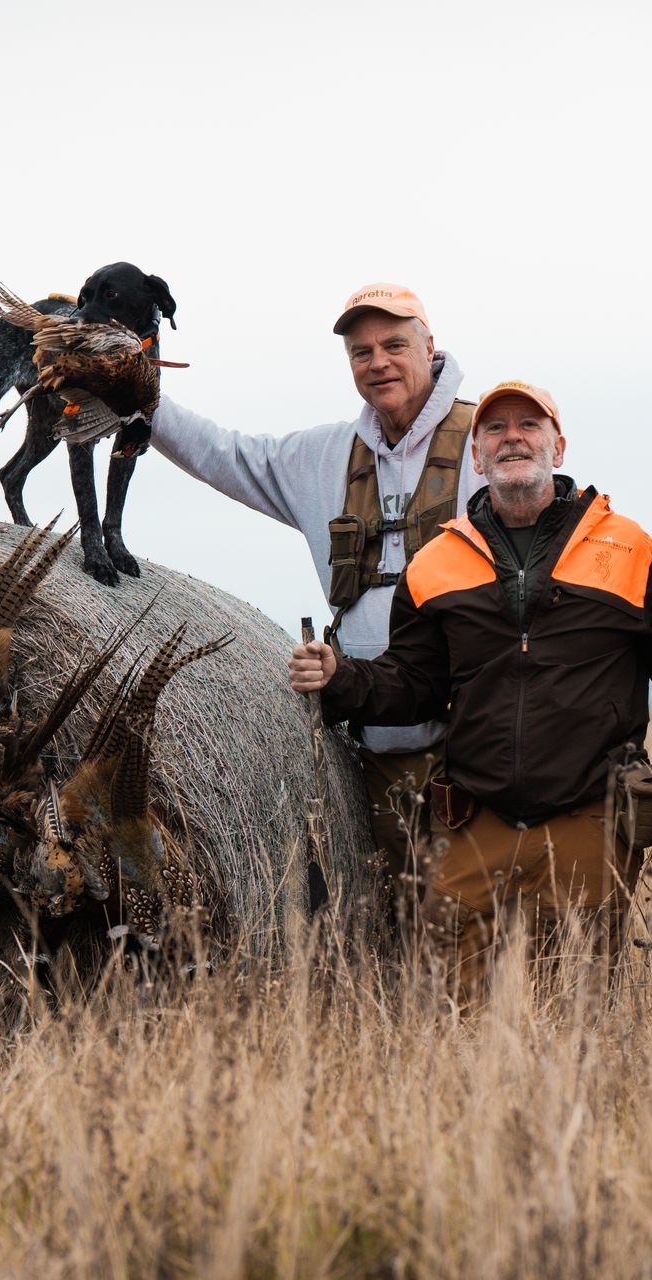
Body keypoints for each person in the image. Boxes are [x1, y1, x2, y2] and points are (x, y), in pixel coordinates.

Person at [288, 382, 652, 996]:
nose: (512, 437)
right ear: (478, 458)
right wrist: (341, 678)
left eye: (529, 425)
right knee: (454, 1004)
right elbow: (413, 683)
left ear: (559, 446)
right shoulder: (437, 561)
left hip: (590, 818)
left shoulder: (631, 549)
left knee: (574, 1012)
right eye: (494, 429)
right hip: (475, 821)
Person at [151, 283, 479, 929]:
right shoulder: (324, 458)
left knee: (476, 929)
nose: (378, 362)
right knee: (396, 926)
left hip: (472, 748)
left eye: (394, 345)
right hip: (369, 752)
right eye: (362, 352)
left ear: (430, 346)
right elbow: (228, 454)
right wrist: (141, 399)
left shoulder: (486, 441)